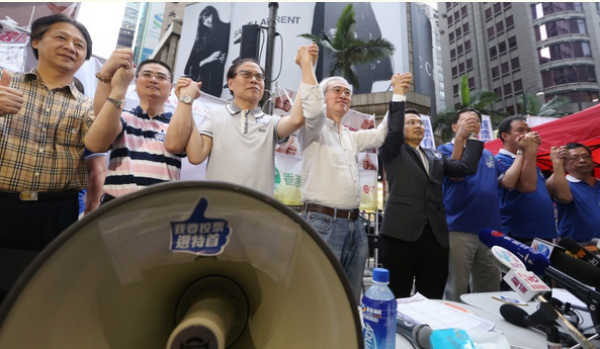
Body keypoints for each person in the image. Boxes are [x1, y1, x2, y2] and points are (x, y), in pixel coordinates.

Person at [0, 14, 93, 296]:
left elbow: (100, 144)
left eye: (80, 44)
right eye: (61, 37)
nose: (71, 47)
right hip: (3, 202)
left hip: (56, 210)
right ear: (37, 41)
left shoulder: (88, 106)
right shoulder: (5, 82)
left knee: (39, 292)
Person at [297, 72, 408, 303]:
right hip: (322, 222)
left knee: (350, 299)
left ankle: (348, 339)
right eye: (336, 90)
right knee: (318, 294)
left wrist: (398, 94)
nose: (343, 95)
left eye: (347, 92)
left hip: (354, 225)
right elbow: (313, 112)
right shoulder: (312, 129)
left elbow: (381, 135)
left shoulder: (350, 136)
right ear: (322, 97)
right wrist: (307, 66)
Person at [166, 44, 319, 197]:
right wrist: (187, 99)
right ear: (231, 83)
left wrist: (307, 67)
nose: (254, 80)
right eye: (246, 75)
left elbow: (297, 119)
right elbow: (196, 156)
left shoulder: (271, 122)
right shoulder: (214, 115)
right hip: (219, 211)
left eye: (259, 77)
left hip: (259, 212)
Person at [378, 96, 483, 299]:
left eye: (420, 123)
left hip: (434, 235)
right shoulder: (392, 151)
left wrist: (473, 138)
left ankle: (428, 330)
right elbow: (392, 132)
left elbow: (465, 168)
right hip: (399, 233)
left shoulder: (435, 155)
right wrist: (399, 94)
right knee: (396, 293)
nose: (418, 126)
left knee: (432, 293)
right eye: (411, 123)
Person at [439, 109, 533, 302]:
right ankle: (454, 325)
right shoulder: (445, 150)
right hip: (458, 228)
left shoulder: (489, 155)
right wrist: (460, 139)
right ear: (455, 127)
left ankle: (486, 323)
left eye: (476, 121)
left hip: (490, 232)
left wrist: (522, 151)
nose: (472, 122)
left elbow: (507, 182)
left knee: (489, 287)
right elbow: (456, 173)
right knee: (456, 285)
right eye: (466, 120)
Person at [85, 50, 191, 202]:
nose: (154, 79)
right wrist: (107, 78)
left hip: (162, 208)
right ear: (135, 83)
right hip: (117, 206)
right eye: (147, 74)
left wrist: (187, 99)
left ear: (170, 89)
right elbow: (97, 138)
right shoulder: (122, 116)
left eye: (161, 77)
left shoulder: (179, 123)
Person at [495, 115, 556, 245]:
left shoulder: (532, 163)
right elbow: (527, 187)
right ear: (505, 135)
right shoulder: (499, 160)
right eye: (520, 130)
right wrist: (528, 150)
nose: (527, 134)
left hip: (543, 230)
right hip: (520, 232)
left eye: (528, 130)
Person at [546, 143, 600, 242]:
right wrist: (558, 164)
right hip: (577, 248)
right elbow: (564, 197)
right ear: (565, 164)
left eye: (586, 156)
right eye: (574, 158)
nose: (582, 160)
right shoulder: (563, 183)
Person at [184, 6, 230, 97]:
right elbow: (188, 69)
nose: (207, 21)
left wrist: (224, 58)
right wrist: (209, 59)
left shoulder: (227, 27)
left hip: (219, 81)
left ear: (214, 13)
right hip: (202, 83)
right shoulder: (201, 38)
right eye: (204, 20)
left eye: (208, 16)